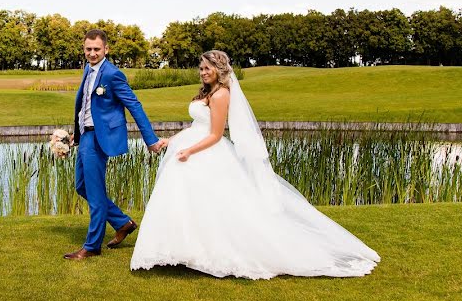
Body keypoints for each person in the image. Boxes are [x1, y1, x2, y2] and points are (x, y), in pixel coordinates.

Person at [130, 50, 380, 279]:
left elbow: (215, 134)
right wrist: (171, 140)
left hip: (206, 152)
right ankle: (181, 249)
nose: (203, 72)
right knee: (189, 201)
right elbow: (197, 127)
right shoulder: (207, 93)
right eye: (201, 68)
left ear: (219, 69)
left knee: (216, 205)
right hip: (192, 145)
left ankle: (212, 251)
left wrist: (189, 152)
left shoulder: (221, 94)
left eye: (208, 68)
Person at [64, 29, 168, 260]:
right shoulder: (87, 71)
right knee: (82, 186)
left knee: (94, 189)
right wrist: (76, 134)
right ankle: (122, 222)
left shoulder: (113, 74)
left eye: (96, 49)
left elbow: (135, 106)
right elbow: (85, 106)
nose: (92, 53)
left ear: (106, 49)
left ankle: (92, 246)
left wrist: (150, 140)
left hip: (99, 139)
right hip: (85, 136)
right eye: (88, 49)